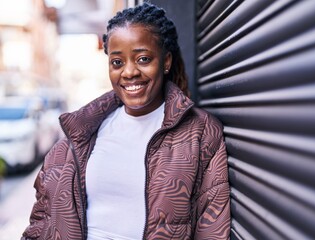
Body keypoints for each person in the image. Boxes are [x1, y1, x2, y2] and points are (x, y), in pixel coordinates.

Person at [22, 2, 230, 239]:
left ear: (166, 62)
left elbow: (212, 226)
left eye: (143, 59)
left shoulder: (200, 133)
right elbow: (41, 224)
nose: (129, 72)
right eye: (117, 62)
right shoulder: (78, 138)